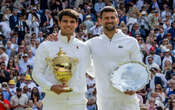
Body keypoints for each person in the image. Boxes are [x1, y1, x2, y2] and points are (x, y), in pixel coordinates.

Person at [48, 6, 143, 110]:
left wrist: (134, 86)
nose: (109, 21)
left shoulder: (131, 42)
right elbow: (73, 47)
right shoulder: (91, 43)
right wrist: (56, 39)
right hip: (105, 102)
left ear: (117, 20)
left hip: (128, 101)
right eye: (106, 18)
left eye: (112, 18)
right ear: (100, 21)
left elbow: (138, 69)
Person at [32, 9, 90, 110]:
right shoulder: (46, 45)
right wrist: (51, 87)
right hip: (53, 101)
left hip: (78, 102)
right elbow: (36, 74)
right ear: (59, 23)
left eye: (72, 22)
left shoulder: (83, 47)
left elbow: (93, 69)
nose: (68, 24)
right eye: (65, 21)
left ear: (76, 24)